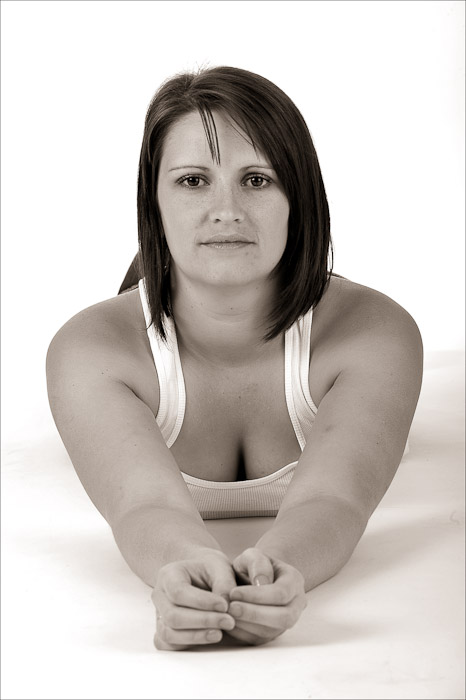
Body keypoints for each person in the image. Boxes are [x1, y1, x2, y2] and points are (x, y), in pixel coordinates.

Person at [46, 66, 423, 651]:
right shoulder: (90, 351)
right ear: (153, 201)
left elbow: (335, 500)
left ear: (299, 197)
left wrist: (276, 574)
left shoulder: (376, 334)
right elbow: (143, 506)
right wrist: (182, 571)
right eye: (193, 180)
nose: (227, 210)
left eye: (257, 179)